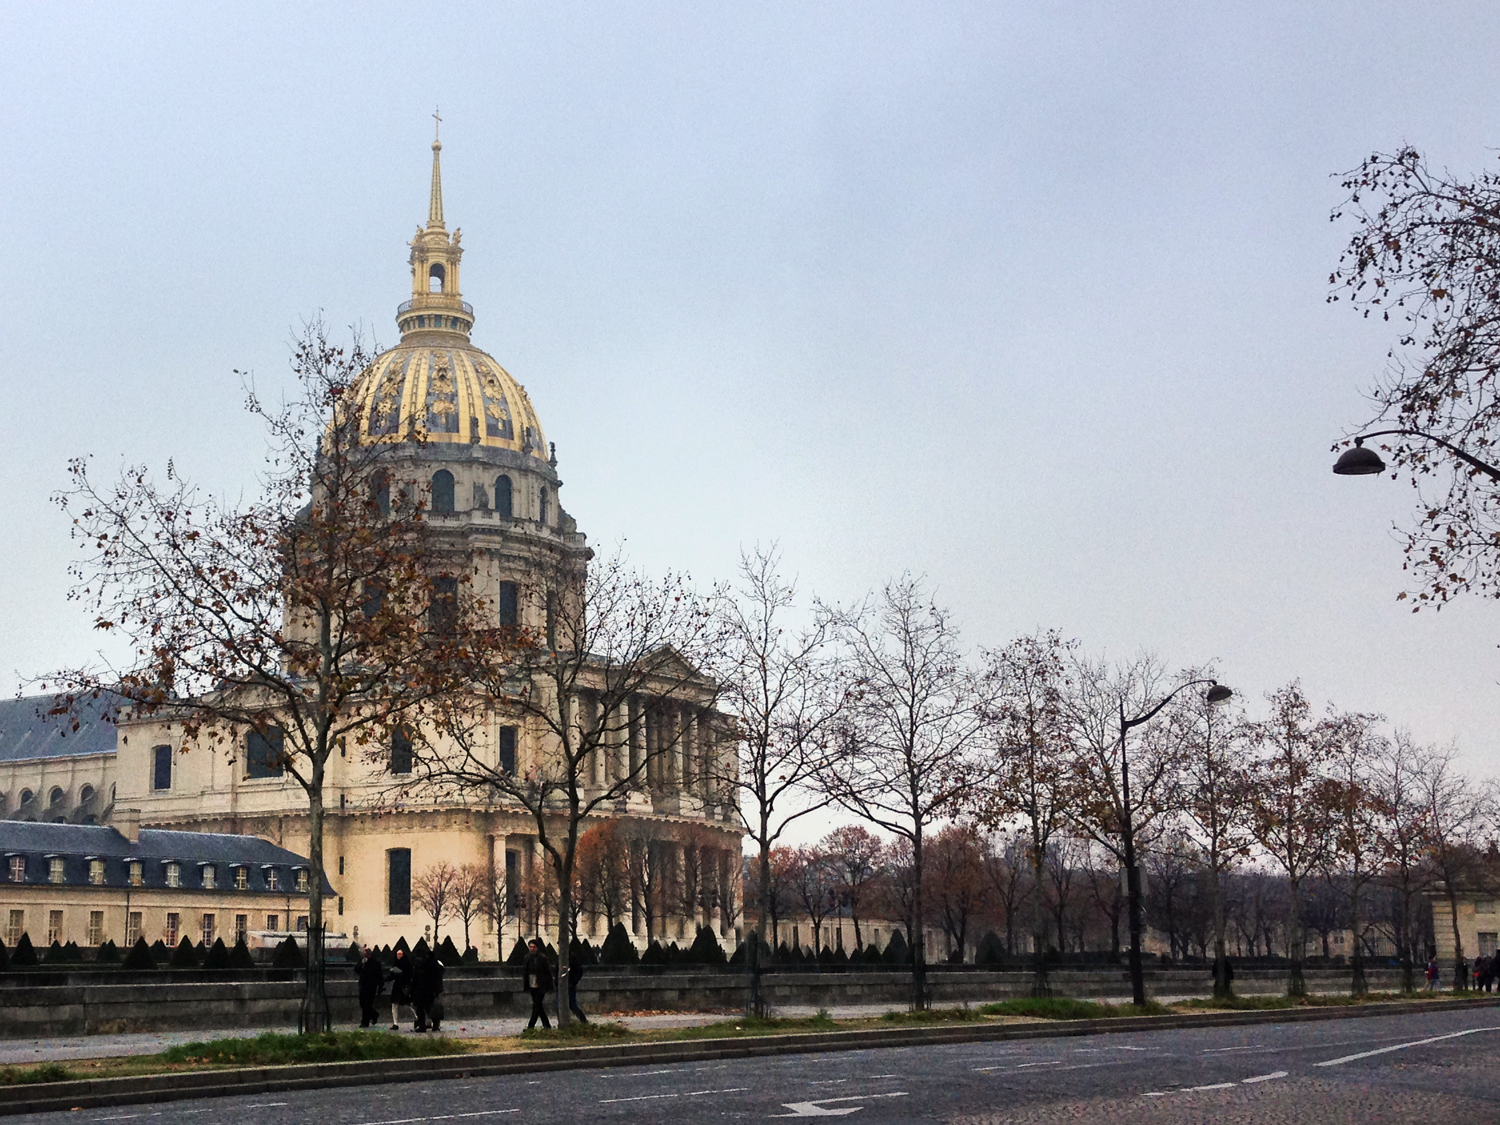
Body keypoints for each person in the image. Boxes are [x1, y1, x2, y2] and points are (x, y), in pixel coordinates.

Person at [522, 938, 553, 1030]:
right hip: (531, 983)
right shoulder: (527, 958)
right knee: (538, 1006)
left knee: (536, 1005)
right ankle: (547, 1025)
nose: (532, 949)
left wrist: (549, 985)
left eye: (534, 947)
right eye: (530, 947)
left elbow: (548, 972)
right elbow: (525, 971)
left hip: (541, 984)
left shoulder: (543, 958)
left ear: (537, 948)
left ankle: (531, 1026)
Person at [413, 953, 446, 1032]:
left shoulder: (422, 966)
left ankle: (422, 1026)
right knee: (429, 1008)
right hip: (430, 991)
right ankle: (435, 1024)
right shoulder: (435, 966)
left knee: (421, 1009)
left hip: (422, 991)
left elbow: (416, 979)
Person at [356, 945, 385, 1029]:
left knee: (367, 1004)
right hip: (363, 984)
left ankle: (365, 1022)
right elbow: (356, 969)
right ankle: (374, 1015)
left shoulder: (376, 962)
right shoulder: (362, 961)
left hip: (371, 985)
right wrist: (361, 964)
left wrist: (380, 986)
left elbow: (379, 975)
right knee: (362, 1003)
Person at [389, 947, 413, 1030]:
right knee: (394, 1004)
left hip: (403, 985)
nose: (399, 956)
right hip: (398, 986)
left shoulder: (406, 964)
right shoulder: (398, 963)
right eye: (398, 954)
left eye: (400, 954)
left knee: (407, 1004)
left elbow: (409, 975)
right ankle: (395, 1023)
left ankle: (417, 1018)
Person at [568, 952, 588, 1024]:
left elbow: (579, 971)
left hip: (570, 985)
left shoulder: (572, 958)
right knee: (559, 1005)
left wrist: (573, 982)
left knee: (572, 1005)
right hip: (563, 985)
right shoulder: (561, 957)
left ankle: (583, 1020)